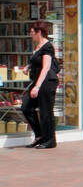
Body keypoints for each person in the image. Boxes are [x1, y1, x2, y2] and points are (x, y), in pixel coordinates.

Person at [21, 20, 59, 149]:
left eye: (32, 32)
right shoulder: (38, 46)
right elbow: (36, 61)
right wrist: (28, 67)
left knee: (46, 111)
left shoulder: (47, 47)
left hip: (47, 82)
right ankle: (39, 136)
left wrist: (37, 87)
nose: (30, 34)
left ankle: (50, 140)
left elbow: (46, 67)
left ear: (39, 32)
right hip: (37, 81)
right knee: (26, 107)